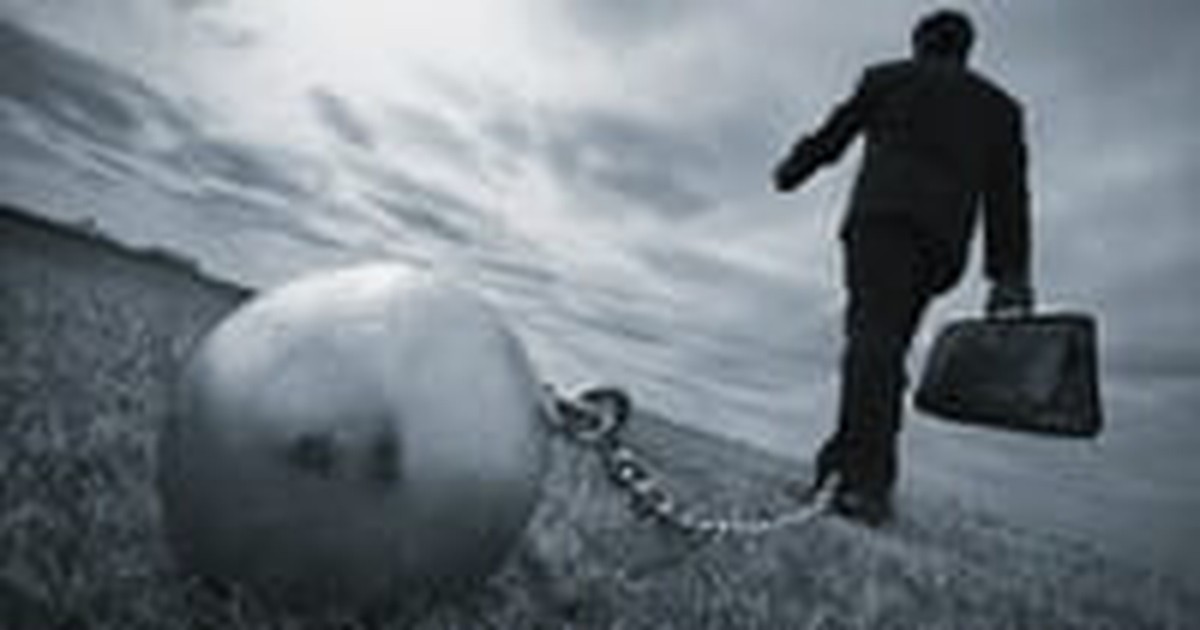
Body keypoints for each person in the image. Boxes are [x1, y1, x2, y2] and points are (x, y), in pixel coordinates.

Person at [772, 9, 1035, 525]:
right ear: (966, 50)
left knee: (873, 343)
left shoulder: (887, 78)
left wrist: (792, 169)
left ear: (919, 43)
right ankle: (854, 474)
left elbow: (833, 137)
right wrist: (1010, 275)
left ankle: (861, 483)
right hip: (941, 246)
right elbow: (1009, 197)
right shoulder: (1000, 108)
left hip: (881, 223)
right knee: (884, 346)